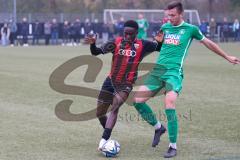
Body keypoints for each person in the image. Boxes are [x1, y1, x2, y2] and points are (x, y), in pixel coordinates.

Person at [132, 1, 240, 158]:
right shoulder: (165, 27)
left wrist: (226, 56)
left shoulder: (191, 29)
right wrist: (158, 42)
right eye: (168, 15)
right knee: (137, 101)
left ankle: (172, 146)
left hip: (174, 73)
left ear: (181, 14)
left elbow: (208, 43)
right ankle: (158, 127)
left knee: (169, 103)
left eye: (173, 15)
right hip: (157, 71)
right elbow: (161, 47)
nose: (170, 18)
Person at [84, 20, 163, 151]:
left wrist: (160, 42)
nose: (127, 36)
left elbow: (159, 48)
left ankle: (104, 139)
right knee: (100, 113)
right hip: (110, 82)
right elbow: (96, 52)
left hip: (126, 84)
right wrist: (92, 44)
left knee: (115, 107)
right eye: (125, 33)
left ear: (136, 33)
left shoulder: (143, 44)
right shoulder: (116, 42)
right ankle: (107, 137)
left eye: (130, 34)